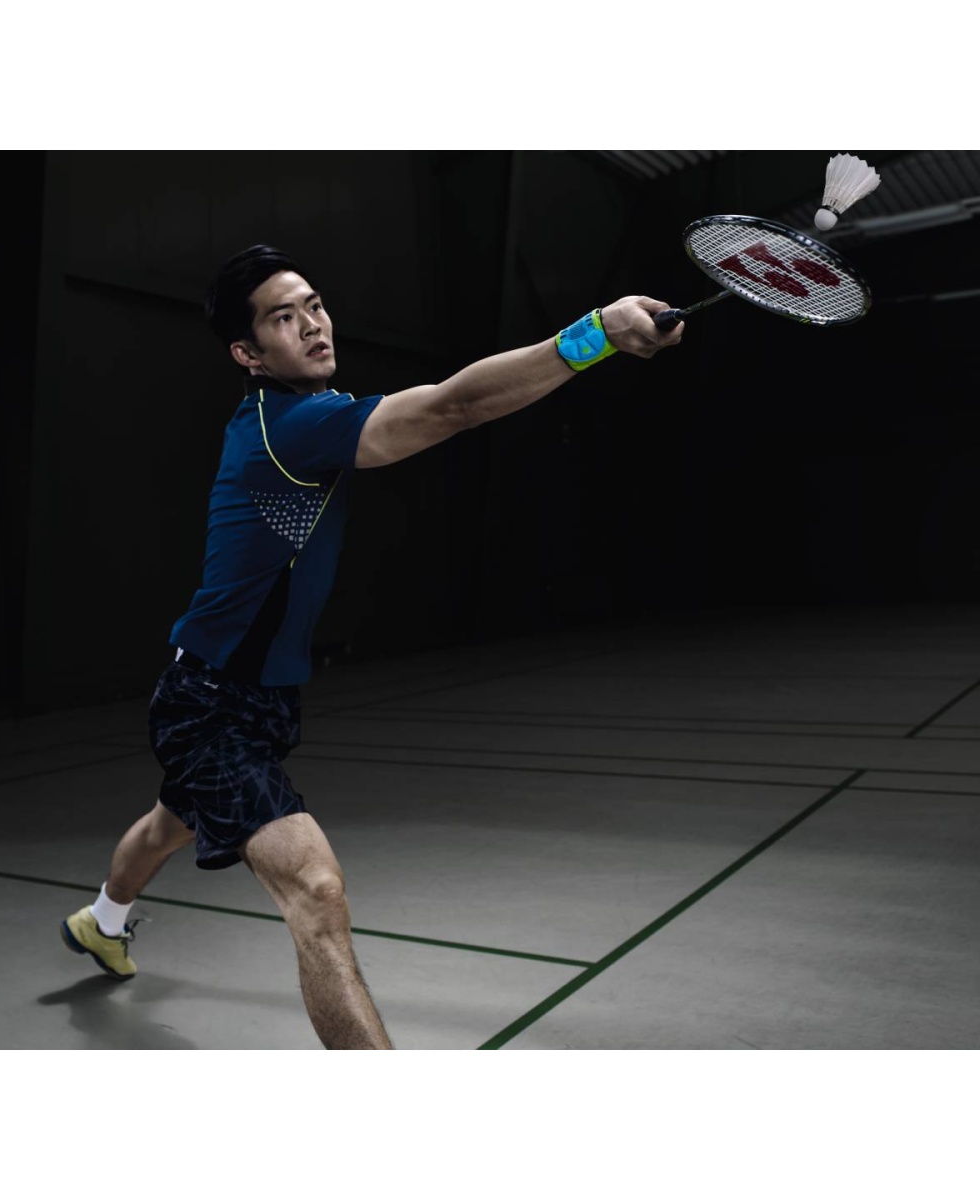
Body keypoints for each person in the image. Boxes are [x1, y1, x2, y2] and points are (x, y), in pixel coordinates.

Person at [61, 244, 683, 1049]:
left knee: (167, 824)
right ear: (249, 354)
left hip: (248, 698)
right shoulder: (294, 428)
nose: (312, 325)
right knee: (316, 892)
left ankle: (101, 921)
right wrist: (592, 335)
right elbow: (453, 407)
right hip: (210, 707)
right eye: (283, 319)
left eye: (314, 305)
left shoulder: (295, 415)